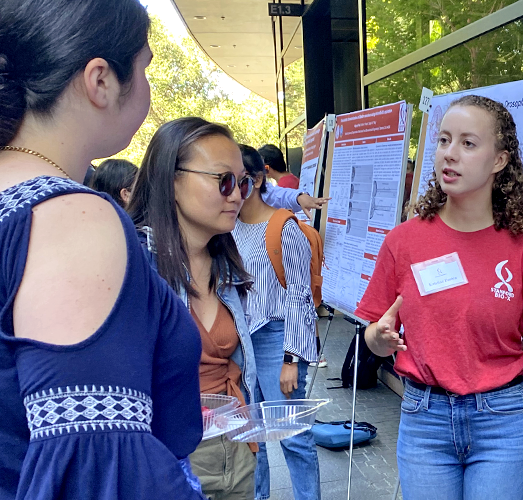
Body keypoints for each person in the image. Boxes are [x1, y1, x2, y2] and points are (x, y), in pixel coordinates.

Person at [0, 1, 205, 499]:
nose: (150, 90)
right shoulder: (71, 216)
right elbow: (98, 469)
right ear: (100, 81)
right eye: (144, 68)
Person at [355, 95, 523, 500]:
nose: (450, 154)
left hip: (501, 422)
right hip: (424, 421)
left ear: (499, 160)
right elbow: (374, 332)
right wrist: (378, 339)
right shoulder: (404, 241)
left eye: (468, 143)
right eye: (444, 140)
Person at [128, 117, 263, 500]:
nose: (236, 195)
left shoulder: (228, 266)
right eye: (223, 181)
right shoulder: (133, 261)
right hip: (167, 454)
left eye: (243, 182)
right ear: (171, 179)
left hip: (236, 443)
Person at [233, 144, 321, 500]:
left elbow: (300, 298)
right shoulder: (227, 229)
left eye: (232, 181)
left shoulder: (285, 229)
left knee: (294, 439)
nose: (226, 191)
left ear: (254, 181)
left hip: (275, 340)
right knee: (252, 441)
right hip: (240, 344)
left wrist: (290, 360)